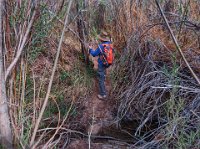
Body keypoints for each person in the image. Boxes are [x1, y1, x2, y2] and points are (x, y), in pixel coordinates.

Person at [88, 31, 112, 100]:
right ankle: (104, 86)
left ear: (101, 39)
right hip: (108, 63)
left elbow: (94, 54)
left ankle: (103, 94)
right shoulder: (110, 44)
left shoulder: (101, 46)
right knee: (103, 75)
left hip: (102, 64)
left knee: (100, 79)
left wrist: (90, 49)